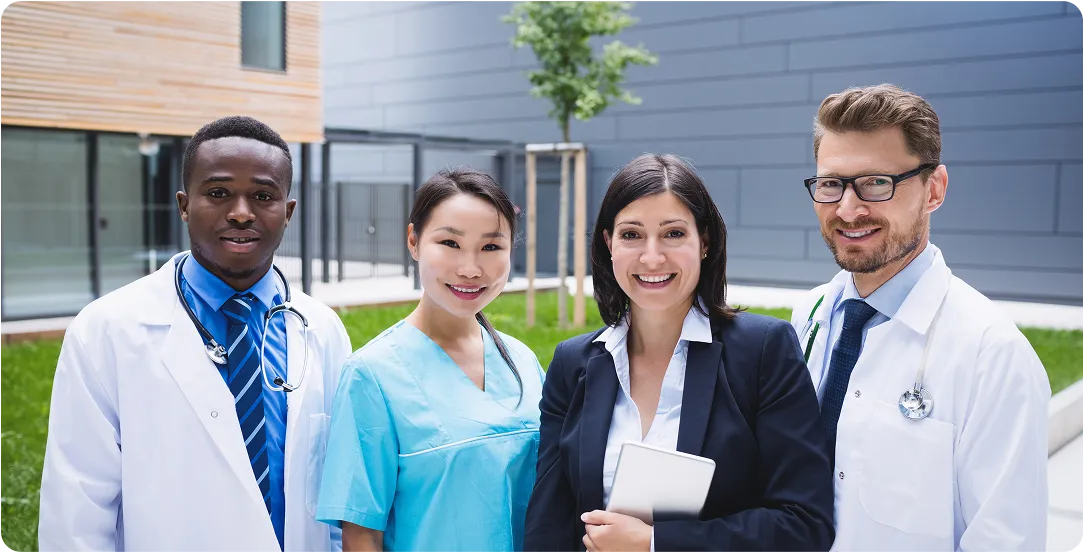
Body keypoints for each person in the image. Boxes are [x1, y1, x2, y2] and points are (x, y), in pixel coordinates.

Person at [38, 116, 352, 552]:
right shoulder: (106, 331)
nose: (241, 212)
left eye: (263, 196)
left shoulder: (322, 329)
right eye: (218, 192)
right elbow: (77, 510)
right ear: (185, 205)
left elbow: (341, 491)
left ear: (288, 211)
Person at [525, 154, 835, 552]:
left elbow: (805, 523)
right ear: (608, 243)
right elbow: (549, 522)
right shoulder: (573, 363)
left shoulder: (763, 350)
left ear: (704, 242)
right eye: (631, 235)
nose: (652, 257)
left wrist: (656, 543)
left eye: (673, 234)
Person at [792, 84, 1050, 551]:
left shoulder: (993, 356)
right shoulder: (808, 316)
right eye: (831, 184)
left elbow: (1004, 541)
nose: (848, 209)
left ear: (934, 190)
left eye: (876, 182)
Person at [315, 168, 546, 552]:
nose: (471, 268)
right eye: (450, 243)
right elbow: (361, 535)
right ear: (414, 241)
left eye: (491, 247)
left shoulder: (522, 361)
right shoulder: (373, 375)